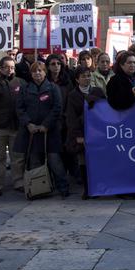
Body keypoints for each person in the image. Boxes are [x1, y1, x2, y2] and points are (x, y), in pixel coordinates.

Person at [14, 61, 69, 198]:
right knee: (34, 161)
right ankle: (38, 188)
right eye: (34, 71)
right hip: (32, 132)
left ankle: (63, 186)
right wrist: (28, 124)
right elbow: (20, 109)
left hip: (50, 131)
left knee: (54, 160)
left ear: (45, 72)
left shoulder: (52, 88)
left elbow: (57, 108)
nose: (37, 73)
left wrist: (46, 124)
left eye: (40, 70)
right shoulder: (25, 89)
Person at [0, 56, 26, 196]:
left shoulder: (20, 82)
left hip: (15, 126)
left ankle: (19, 181)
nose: (10, 70)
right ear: (0, 68)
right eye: (7, 67)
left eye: (12, 67)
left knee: (17, 157)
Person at [65, 66, 105, 199]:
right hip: (82, 132)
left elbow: (105, 111)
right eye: (83, 76)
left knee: (97, 161)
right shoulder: (72, 95)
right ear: (77, 79)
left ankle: (98, 187)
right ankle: (87, 189)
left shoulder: (98, 91)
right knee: (83, 161)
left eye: (88, 76)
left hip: (97, 132)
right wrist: (78, 136)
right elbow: (70, 118)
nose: (86, 78)